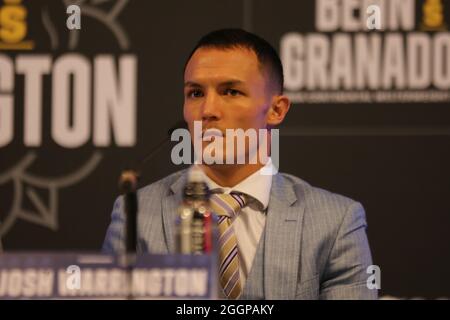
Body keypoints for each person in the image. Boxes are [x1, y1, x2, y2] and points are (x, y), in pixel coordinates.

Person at [103, 28, 377, 300]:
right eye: (195, 93)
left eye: (231, 92)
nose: (208, 110)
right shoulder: (134, 215)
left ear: (276, 109)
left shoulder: (336, 221)